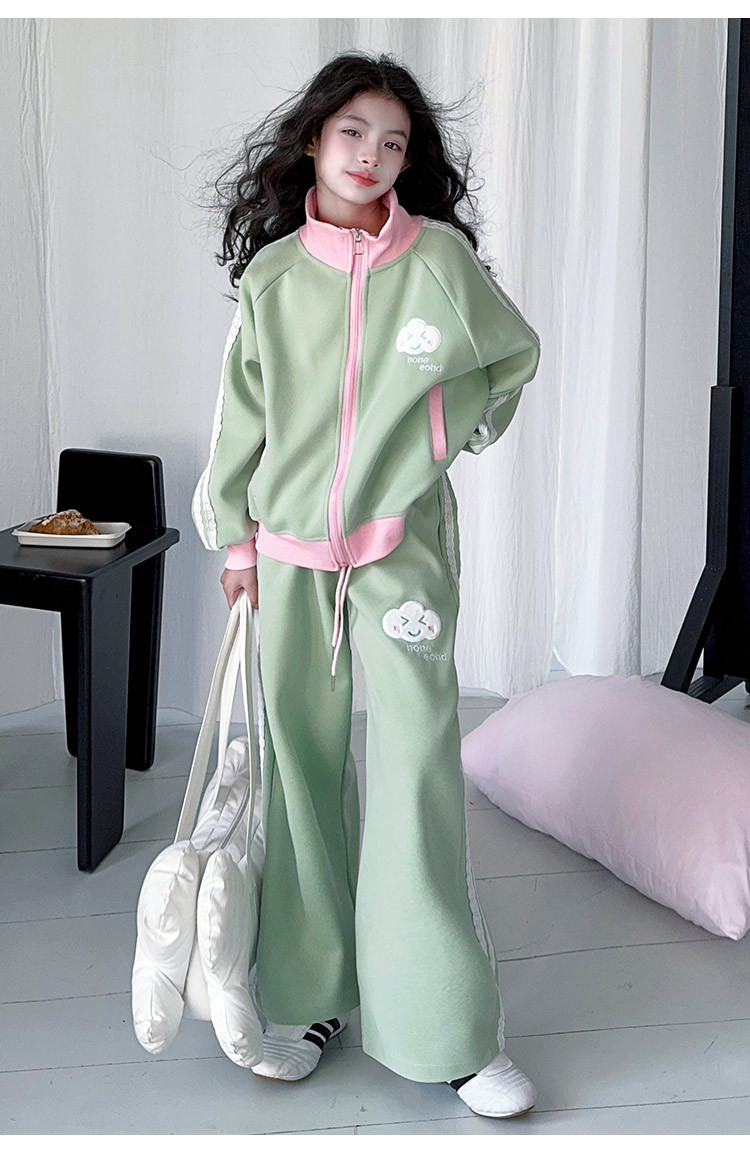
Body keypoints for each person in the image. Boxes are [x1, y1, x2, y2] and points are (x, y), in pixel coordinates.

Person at [191, 51, 541, 1121]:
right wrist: (236, 544)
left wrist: (437, 430)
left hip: (400, 559)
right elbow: (240, 420)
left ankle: (444, 1030)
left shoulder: (437, 261)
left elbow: (509, 359)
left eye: (394, 143)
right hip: (288, 561)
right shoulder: (273, 280)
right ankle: (310, 998)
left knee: (415, 775)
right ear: (313, 140)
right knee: (299, 772)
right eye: (354, 134)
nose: (372, 156)